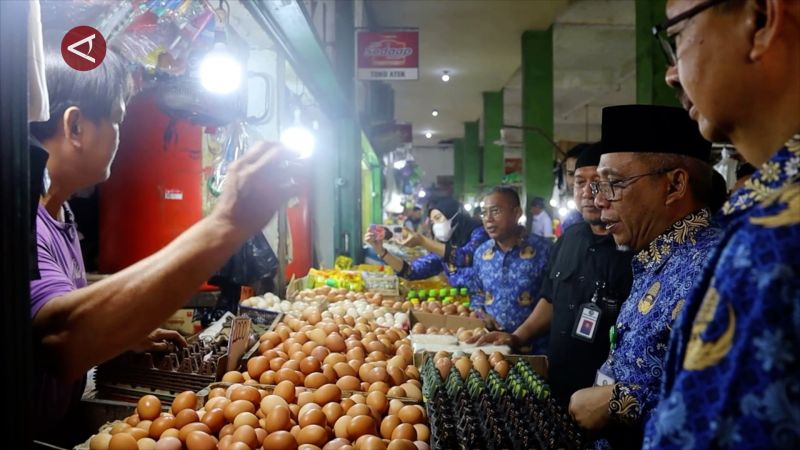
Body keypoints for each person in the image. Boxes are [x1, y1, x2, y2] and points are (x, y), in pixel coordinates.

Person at [28, 49, 296, 436]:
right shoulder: (23, 223)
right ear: (75, 127)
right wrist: (225, 224)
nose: (120, 134)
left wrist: (120, 333)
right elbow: (61, 340)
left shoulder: (61, 216)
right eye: (117, 119)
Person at [643, 1, 800, 448]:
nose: (671, 74)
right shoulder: (762, 213)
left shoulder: (778, 236)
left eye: (677, 36)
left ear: (760, 20)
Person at [567, 105, 721, 450]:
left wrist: (619, 403)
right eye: (598, 185)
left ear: (674, 185)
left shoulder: (716, 269)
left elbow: (725, 406)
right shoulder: (652, 256)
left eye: (614, 184)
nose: (599, 200)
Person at [472, 144, 634, 407]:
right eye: (579, 182)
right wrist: (517, 337)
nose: (587, 192)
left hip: (603, 397)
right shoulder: (569, 238)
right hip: (557, 381)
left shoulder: (631, 247)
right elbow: (550, 299)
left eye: (597, 182)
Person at [470, 186, 552, 349]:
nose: (488, 219)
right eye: (484, 213)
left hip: (535, 349)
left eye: (495, 211)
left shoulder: (545, 250)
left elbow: (554, 301)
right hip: (494, 348)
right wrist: (482, 314)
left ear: (517, 213)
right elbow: (476, 294)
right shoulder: (481, 253)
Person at [364, 197, 489, 288]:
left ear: (454, 215)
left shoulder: (480, 234)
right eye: (433, 222)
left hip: (486, 304)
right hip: (462, 304)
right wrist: (381, 251)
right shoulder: (445, 246)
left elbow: (466, 257)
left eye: (438, 218)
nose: (436, 225)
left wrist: (423, 241)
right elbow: (411, 271)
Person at [561, 143, 591, 231]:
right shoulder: (571, 219)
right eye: (571, 174)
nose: (576, 181)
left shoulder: (607, 216)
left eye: (581, 174)